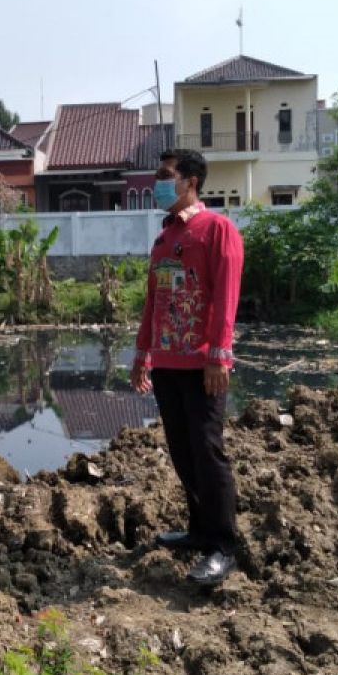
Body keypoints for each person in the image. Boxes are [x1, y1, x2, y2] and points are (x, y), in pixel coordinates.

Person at [130, 149, 244, 585]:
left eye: (165, 176)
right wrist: (142, 355)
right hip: (167, 363)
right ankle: (199, 531)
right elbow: (153, 304)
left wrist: (219, 354)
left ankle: (222, 546)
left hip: (202, 364)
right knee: (181, 449)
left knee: (207, 449)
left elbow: (227, 296)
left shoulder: (217, 230)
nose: (158, 184)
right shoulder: (162, 240)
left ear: (191, 181)